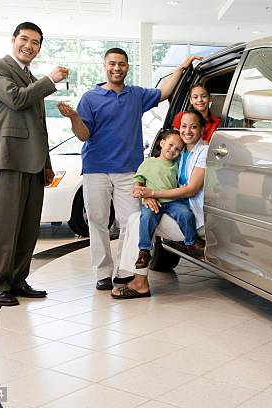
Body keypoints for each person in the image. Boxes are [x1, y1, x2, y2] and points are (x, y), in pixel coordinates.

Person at [57, 48, 200, 291]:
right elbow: (83, 135)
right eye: (112, 63)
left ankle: (125, 271)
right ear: (104, 66)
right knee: (98, 221)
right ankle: (103, 272)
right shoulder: (90, 98)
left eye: (121, 64)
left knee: (130, 222)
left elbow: (165, 92)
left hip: (129, 172)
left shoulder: (136, 95)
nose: (116, 68)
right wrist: (73, 118)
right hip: (96, 168)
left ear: (127, 67)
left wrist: (183, 66)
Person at [0, 22, 68, 306]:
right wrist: (50, 80)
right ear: (13, 40)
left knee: (29, 227)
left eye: (35, 42)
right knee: (7, 228)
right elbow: (16, 99)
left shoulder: (30, 76)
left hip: (34, 163)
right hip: (8, 159)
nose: (29, 46)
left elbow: (39, 126)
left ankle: (18, 280)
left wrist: (46, 162)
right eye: (24, 39)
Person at [112, 110, 208, 299]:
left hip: (189, 216)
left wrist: (152, 193)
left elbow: (191, 190)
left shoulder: (202, 151)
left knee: (136, 220)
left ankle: (137, 279)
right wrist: (146, 196)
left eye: (194, 127)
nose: (187, 131)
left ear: (202, 129)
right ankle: (139, 262)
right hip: (172, 207)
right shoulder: (180, 154)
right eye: (183, 126)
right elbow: (148, 177)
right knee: (137, 218)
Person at [132, 129, 204, 284]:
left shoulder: (177, 164)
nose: (173, 150)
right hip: (153, 201)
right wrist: (142, 193)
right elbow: (138, 180)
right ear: (161, 143)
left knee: (185, 214)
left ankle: (191, 243)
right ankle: (144, 250)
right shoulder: (149, 162)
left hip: (172, 202)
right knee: (146, 217)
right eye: (170, 145)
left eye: (178, 149)